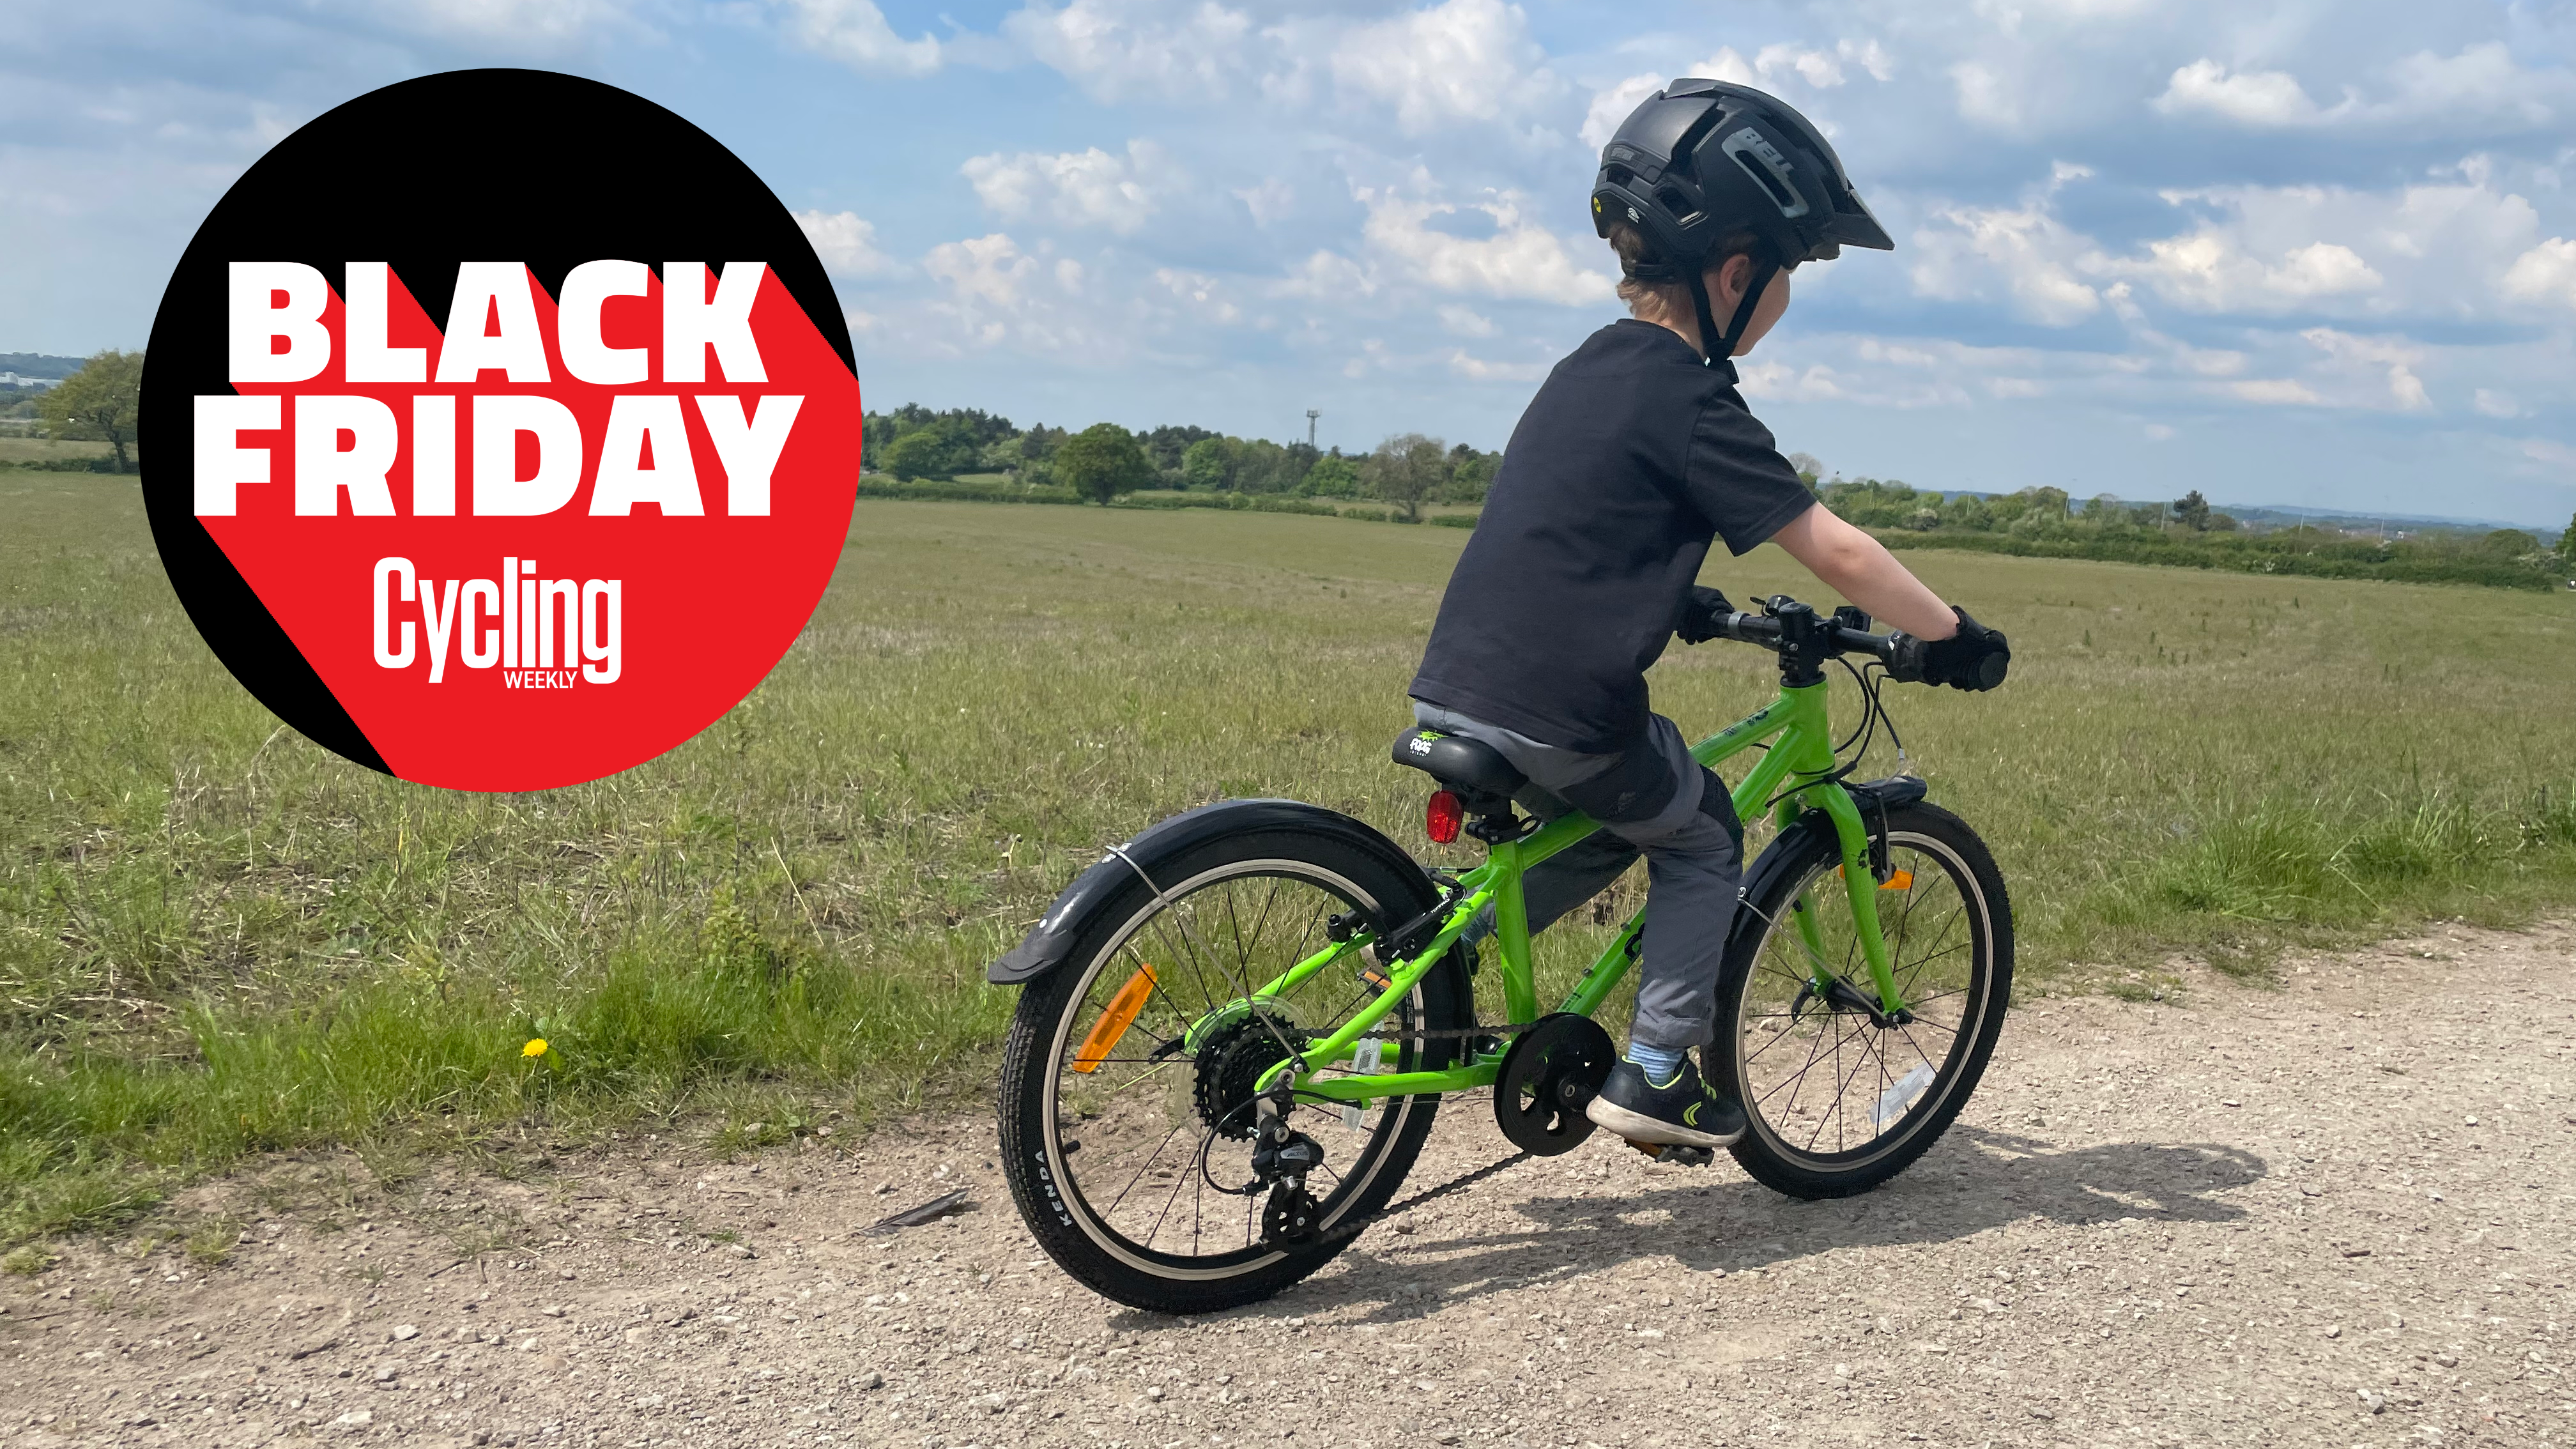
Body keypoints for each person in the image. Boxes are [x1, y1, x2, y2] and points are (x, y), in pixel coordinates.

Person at [1406, 79, 2009, 1151]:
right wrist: (1950, 635)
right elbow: (1837, 549)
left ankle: (1423, 956)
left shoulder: (1587, 366)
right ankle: (1652, 1073)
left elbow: (1581, 517)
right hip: (1567, 706)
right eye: (1787, 278)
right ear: (1735, 272)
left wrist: (1670, 592)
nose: (1782, 301)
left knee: (1611, 822)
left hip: (1465, 672)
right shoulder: (1694, 397)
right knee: (1702, 830)